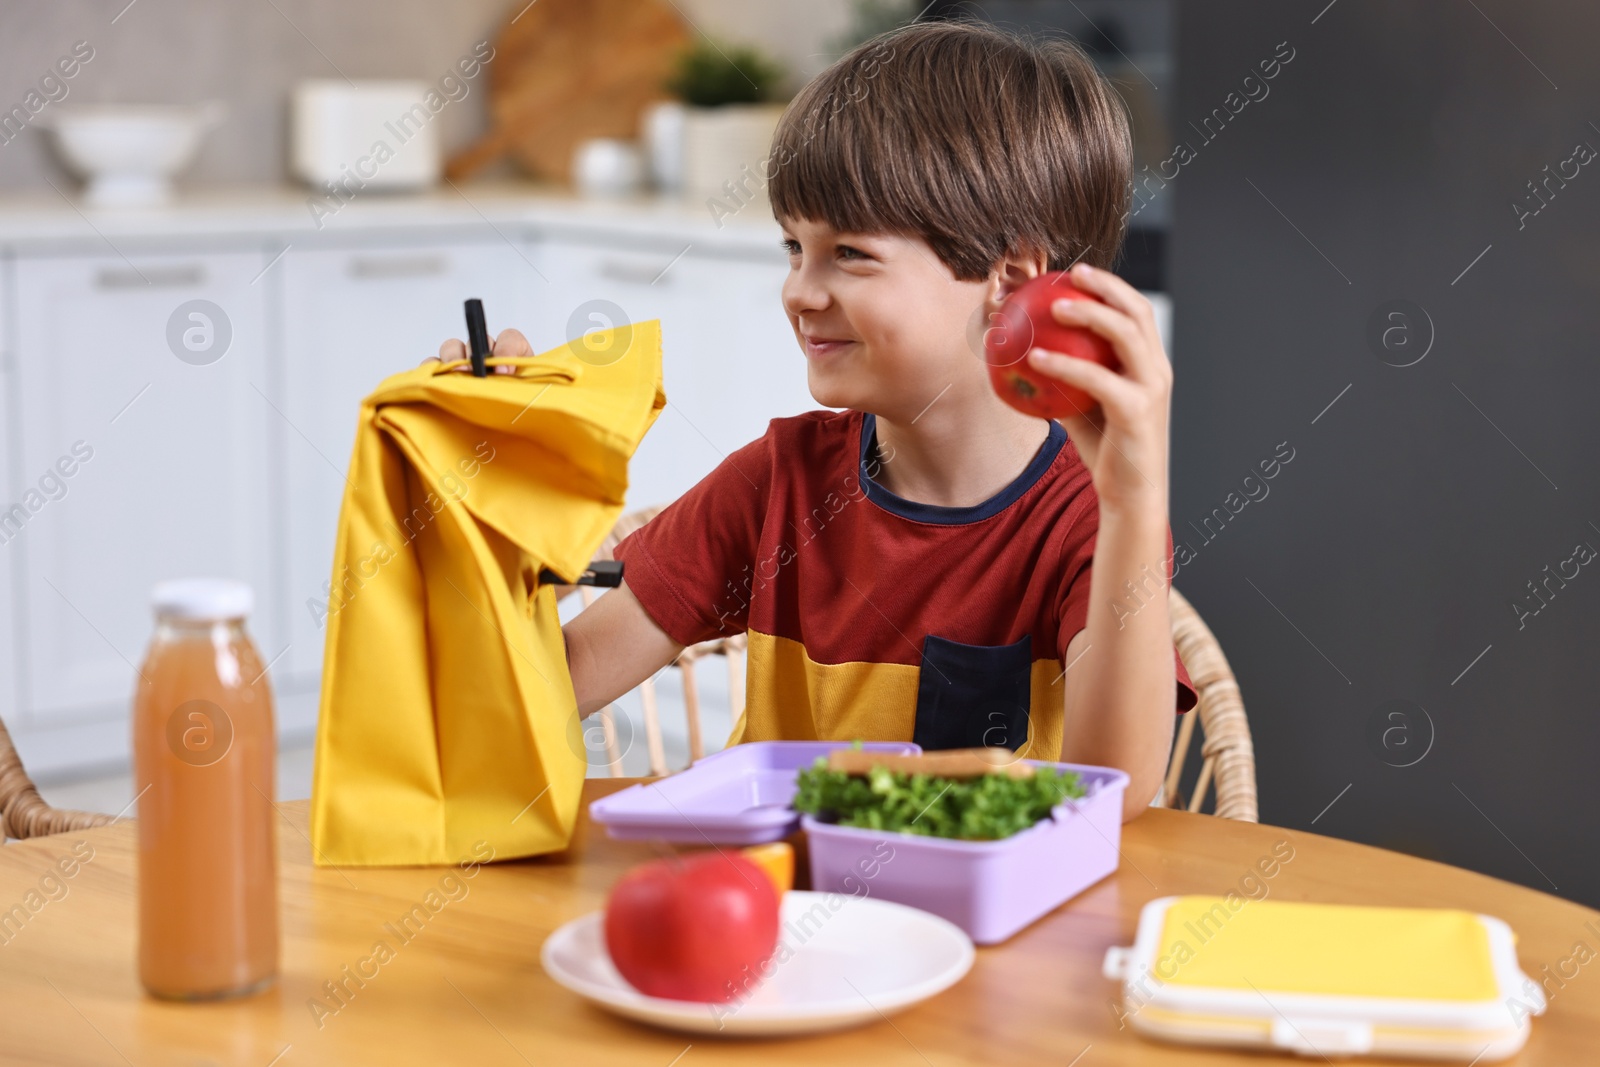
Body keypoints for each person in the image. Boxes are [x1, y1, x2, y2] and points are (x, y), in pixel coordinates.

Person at [436, 20, 1195, 819]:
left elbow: (1119, 787)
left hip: (981, 935)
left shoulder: (1091, 518)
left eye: (850, 254)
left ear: (1010, 278)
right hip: (776, 920)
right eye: (794, 247)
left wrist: (1134, 504)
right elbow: (537, 694)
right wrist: (498, 514)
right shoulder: (778, 482)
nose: (799, 290)